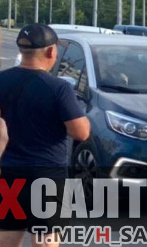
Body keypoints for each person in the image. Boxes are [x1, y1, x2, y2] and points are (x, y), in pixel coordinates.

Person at [0, 24, 91, 247]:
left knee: (8, 236)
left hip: (9, 172)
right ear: (51, 52)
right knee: (45, 239)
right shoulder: (59, 88)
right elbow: (80, 132)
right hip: (48, 174)